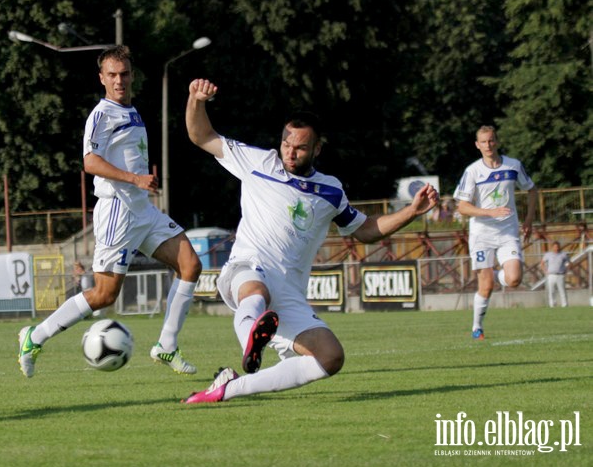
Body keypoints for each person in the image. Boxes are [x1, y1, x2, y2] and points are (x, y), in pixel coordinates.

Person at [181, 78, 439, 404]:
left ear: (317, 149)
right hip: (248, 268)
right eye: (286, 144)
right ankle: (251, 340)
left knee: (330, 358)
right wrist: (196, 99)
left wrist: (412, 211)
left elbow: (366, 229)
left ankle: (228, 388)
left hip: (288, 293)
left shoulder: (331, 191)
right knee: (256, 292)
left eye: (300, 147)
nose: (290, 152)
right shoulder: (259, 162)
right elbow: (201, 135)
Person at [18, 45, 202, 378]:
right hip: (117, 210)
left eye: (125, 74)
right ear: (101, 77)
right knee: (104, 294)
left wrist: (142, 182)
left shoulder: (131, 110)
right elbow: (90, 162)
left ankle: (166, 346)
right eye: (112, 75)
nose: (119, 80)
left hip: (142, 209)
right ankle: (34, 336)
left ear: (132, 75)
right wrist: (135, 178)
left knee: (190, 265)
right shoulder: (102, 115)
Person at [453, 125, 537, 340]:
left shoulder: (513, 165)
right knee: (486, 286)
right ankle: (476, 327)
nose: (488, 145)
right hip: (482, 234)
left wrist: (528, 219)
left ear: (496, 141)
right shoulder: (473, 171)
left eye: (491, 140)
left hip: (508, 232)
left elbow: (532, 190)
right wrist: (489, 212)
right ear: (477, 145)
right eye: (484, 142)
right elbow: (462, 207)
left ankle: (497, 276)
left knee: (515, 279)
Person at [542, 241, 569, 308]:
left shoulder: (563, 254)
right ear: (552, 247)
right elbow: (542, 263)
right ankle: (552, 305)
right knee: (551, 291)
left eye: (557, 247)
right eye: (555, 247)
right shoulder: (548, 255)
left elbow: (568, 263)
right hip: (551, 275)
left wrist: (566, 269)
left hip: (560, 275)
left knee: (562, 290)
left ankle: (564, 305)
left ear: (559, 247)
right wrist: (545, 271)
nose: (556, 248)